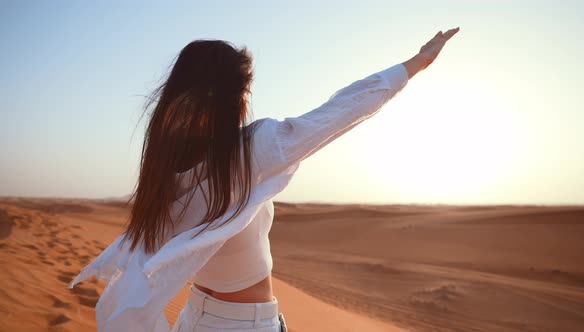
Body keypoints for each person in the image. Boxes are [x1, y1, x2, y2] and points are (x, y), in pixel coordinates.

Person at [68, 27, 460, 332]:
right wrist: (416, 63)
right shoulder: (253, 150)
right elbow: (338, 112)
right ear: (233, 97)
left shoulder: (162, 165)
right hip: (243, 324)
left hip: (193, 317)